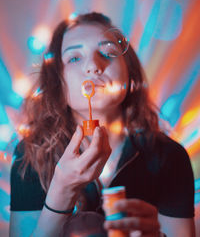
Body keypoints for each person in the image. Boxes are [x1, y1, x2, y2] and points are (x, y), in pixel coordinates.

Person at [9, 12, 195, 237]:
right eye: (75, 58)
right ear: (57, 80)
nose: (94, 67)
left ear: (131, 75)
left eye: (108, 53)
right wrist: (61, 192)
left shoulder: (169, 156)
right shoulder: (30, 154)